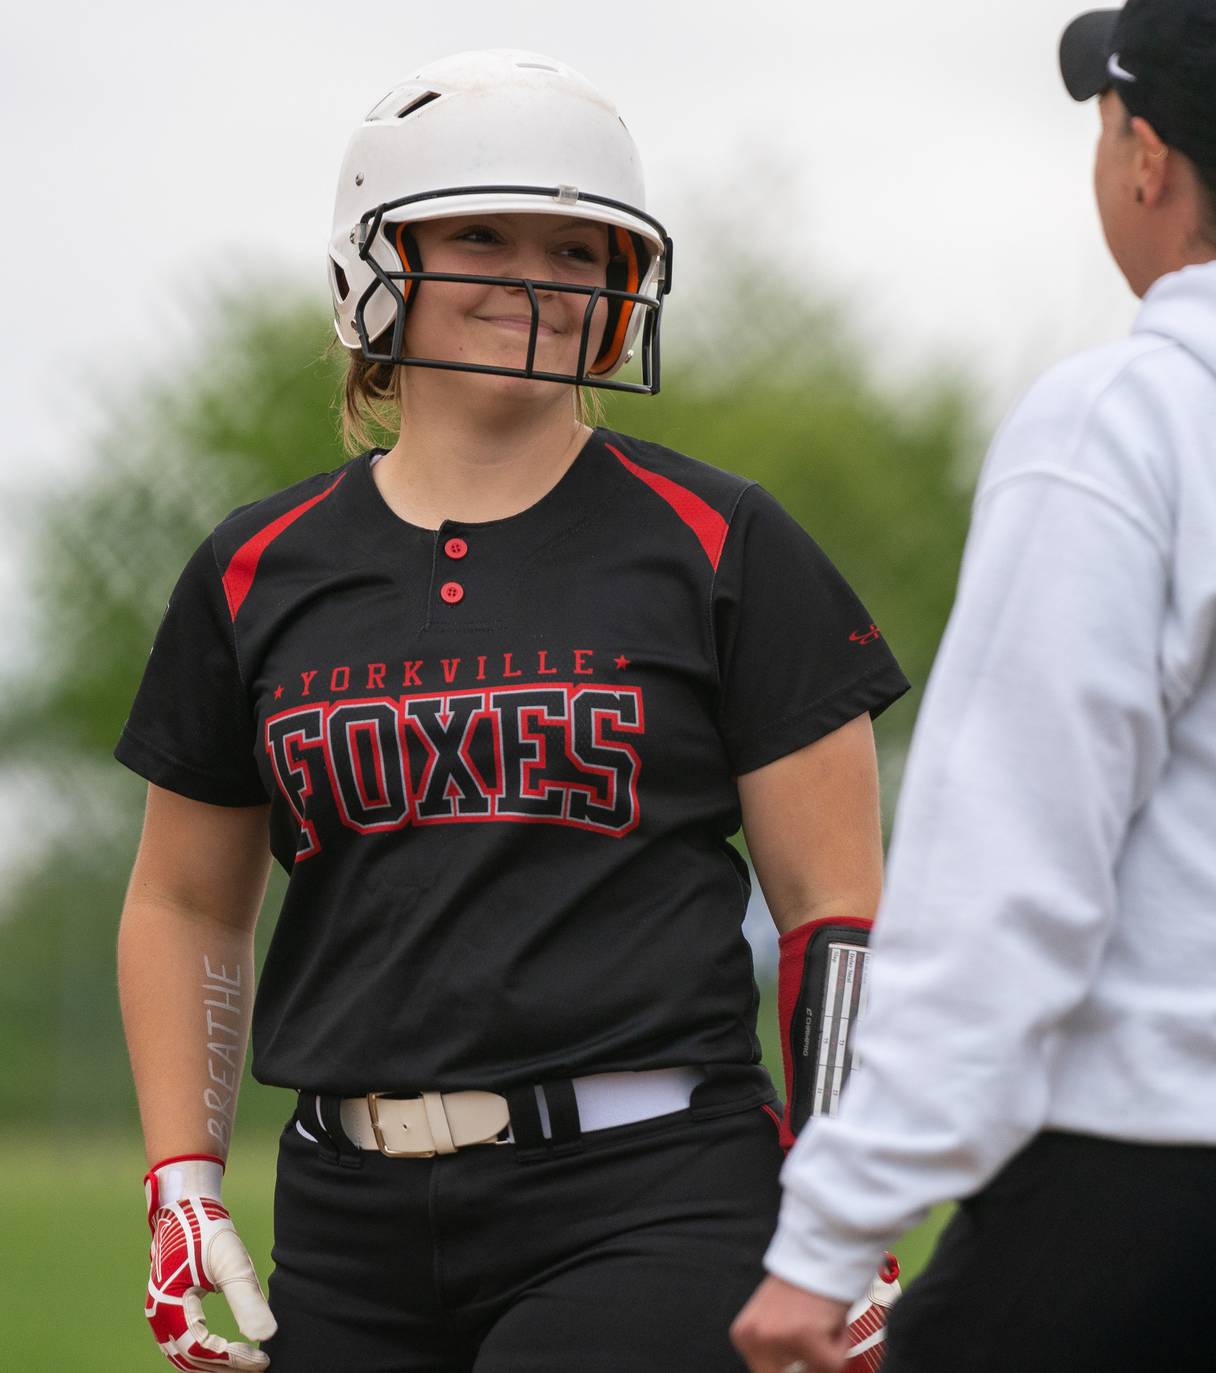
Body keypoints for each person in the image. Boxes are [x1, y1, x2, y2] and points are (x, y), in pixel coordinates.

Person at [115, 48, 908, 1373]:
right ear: (376, 259)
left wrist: (846, 1213)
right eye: (480, 233)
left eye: (577, 246)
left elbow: (840, 921)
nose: (537, 275)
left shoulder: (723, 543)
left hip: (650, 1193)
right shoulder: (256, 568)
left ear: (621, 283)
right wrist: (184, 1175)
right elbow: (188, 900)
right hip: (348, 1213)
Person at [730, 3, 1216, 1371]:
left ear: (1145, 160)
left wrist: (831, 1231)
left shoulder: (1125, 420)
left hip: (1151, 1172)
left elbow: (1009, 871)